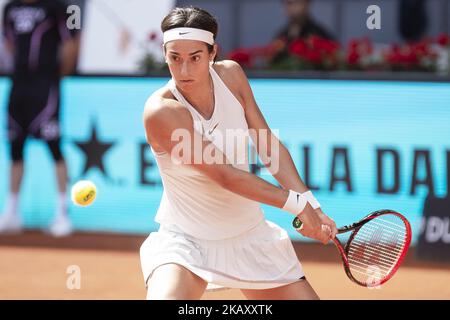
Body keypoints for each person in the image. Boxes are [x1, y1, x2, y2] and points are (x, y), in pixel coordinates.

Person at [140, 6, 337, 300]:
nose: (184, 70)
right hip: (186, 243)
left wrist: (312, 205)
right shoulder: (162, 111)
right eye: (174, 58)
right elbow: (226, 176)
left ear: (212, 53)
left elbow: (267, 144)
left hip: (250, 236)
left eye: (194, 58)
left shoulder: (231, 76)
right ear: (165, 55)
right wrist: (298, 206)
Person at [0, 0, 80, 237]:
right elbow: (9, 43)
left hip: (46, 87)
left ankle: (62, 214)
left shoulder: (58, 7)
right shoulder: (10, 8)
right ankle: (11, 212)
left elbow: (71, 44)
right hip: (17, 87)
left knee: (54, 147)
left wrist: (56, 75)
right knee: (15, 148)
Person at [270, 0, 334, 64]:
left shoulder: (320, 34)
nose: (292, 7)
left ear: (307, 3)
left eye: (296, 2)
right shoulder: (280, 36)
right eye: (288, 3)